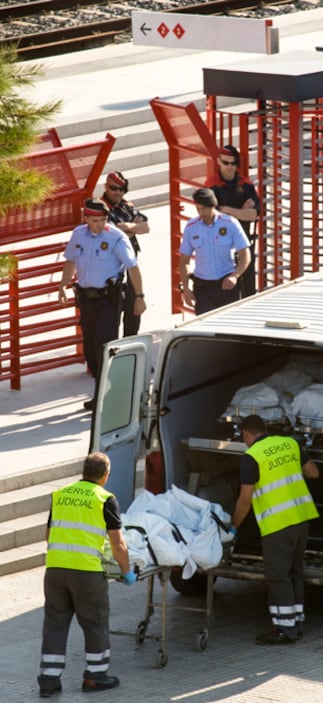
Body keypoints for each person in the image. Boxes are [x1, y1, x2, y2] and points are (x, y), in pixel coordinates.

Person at [37, 452, 137, 697]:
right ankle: (95, 676)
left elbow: (49, 535)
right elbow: (118, 543)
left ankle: (49, 681)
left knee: (55, 624)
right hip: (86, 573)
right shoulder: (105, 499)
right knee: (95, 622)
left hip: (55, 570)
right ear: (105, 475)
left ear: (84, 472)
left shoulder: (61, 494)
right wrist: (126, 572)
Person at [231, 414, 319, 645]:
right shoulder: (290, 443)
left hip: (277, 526)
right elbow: (314, 473)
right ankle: (296, 622)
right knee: (295, 572)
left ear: (246, 434)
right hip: (302, 519)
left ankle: (285, 629)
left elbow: (245, 500)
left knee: (278, 577)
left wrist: (233, 528)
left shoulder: (251, 457)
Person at [58, 197, 146, 411]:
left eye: (103, 220)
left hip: (109, 298)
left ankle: (108, 395)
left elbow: (132, 267)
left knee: (104, 345)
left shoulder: (116, 237)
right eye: (95, 220)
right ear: (86, 218)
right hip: (87, 300)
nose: (99, 224)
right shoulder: (79, 234)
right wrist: (62, 286)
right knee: (90, 348)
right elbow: (70, 260)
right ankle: (101, 389)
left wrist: (140, 296)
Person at [179, 187, 251, 316]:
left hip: (226, 284)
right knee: (205, 329)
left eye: (204, 209)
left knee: (229, 327)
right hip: (203, 288)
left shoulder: (230, 223)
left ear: (213, 206)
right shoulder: (191, 227)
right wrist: (186, 288)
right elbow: (184, 260)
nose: (201, 213)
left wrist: (235, 276)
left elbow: (245, 254)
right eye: (198, 209)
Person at [205, 145, 260, 298]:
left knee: (249, 293)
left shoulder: (246, 184)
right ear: (219, 162)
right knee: (224, 295)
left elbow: (254, 214)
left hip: (244, 246)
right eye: (225, 163)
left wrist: (226, 210)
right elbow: (211, 216)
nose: (229, 167)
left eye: (233, 163)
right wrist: (241, 211)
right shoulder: (211, 186)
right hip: (220, 248)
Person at [101, 171, 149, 337]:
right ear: (106, 187)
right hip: (112, 273)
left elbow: (146, 227)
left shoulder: (126, 205)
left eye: (122, 189)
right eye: (114, 188)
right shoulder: (101, 208)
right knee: (109, 328)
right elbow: (111, 234)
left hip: (131, 271)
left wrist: (127, 227)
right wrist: (131, 229)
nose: (118, 192)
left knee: (133, 320)